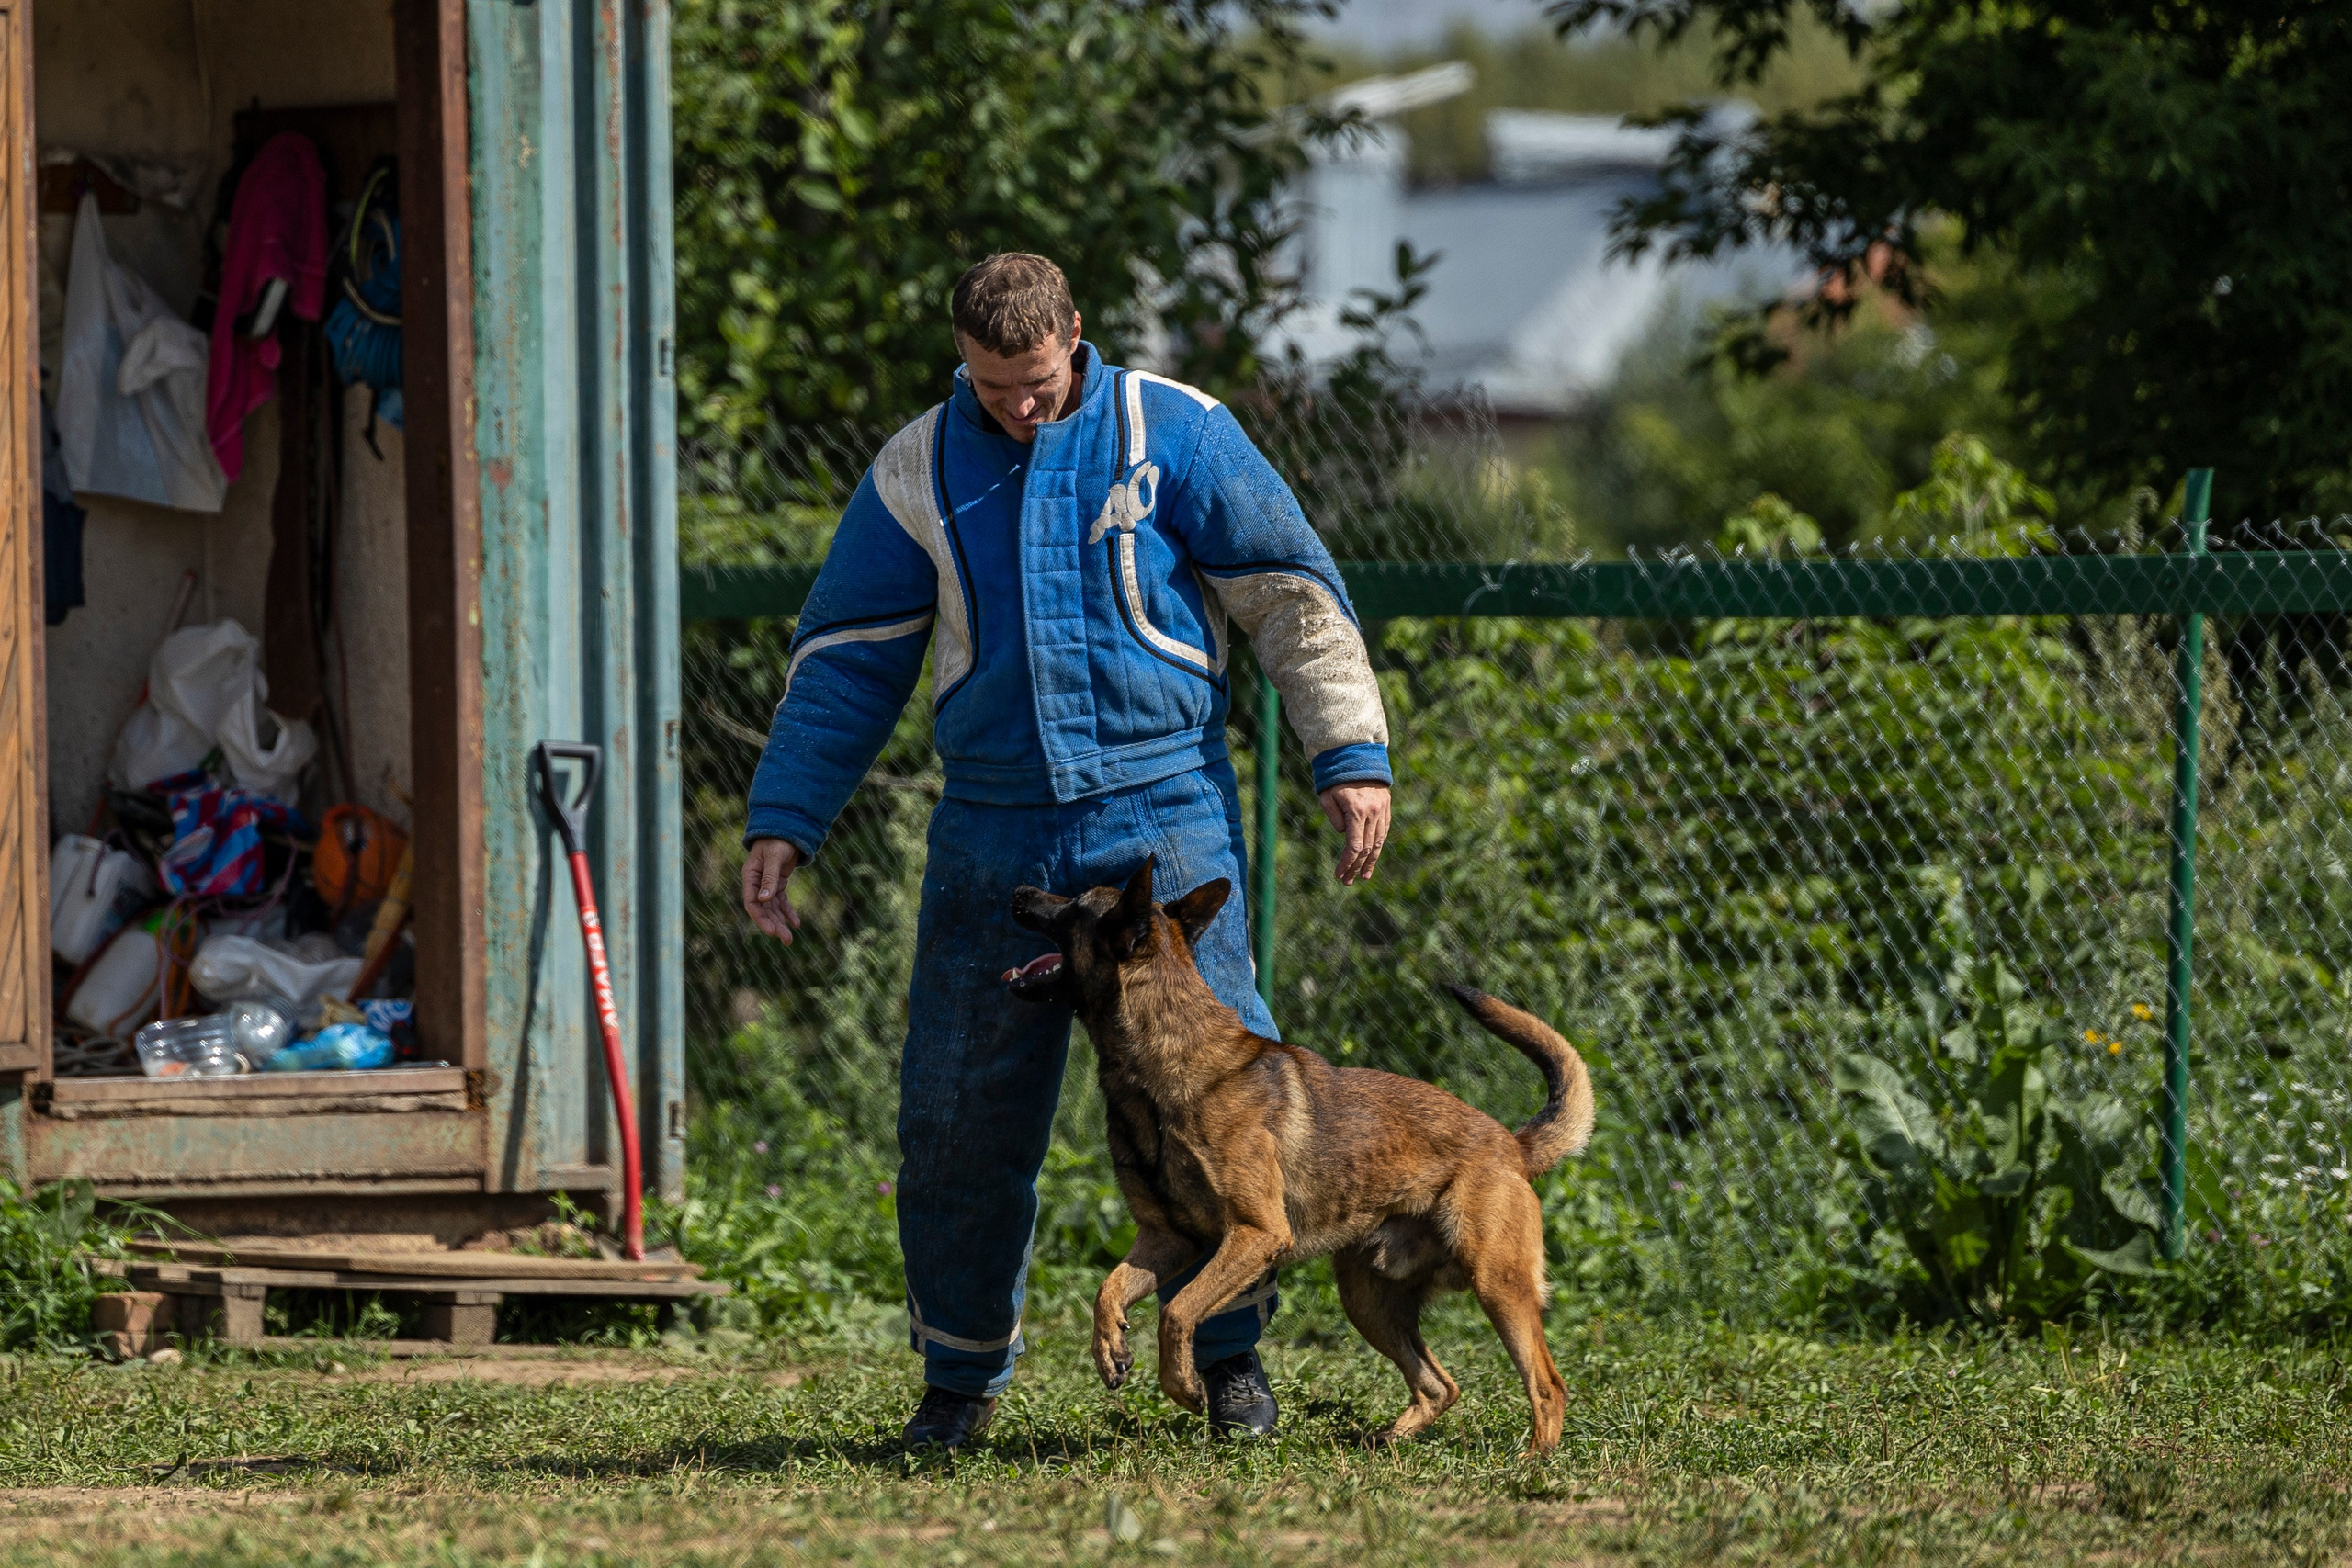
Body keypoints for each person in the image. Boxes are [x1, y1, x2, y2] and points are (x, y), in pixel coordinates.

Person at [741, 253, 1393, 1450]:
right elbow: (845, 660)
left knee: (1221, 1115)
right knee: (953, 1117)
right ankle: (958, 1383)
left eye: (1037, 384)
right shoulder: (917, 465)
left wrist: (1348, 755)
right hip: (994, 833)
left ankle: (1233, 1366)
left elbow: (1292, 597)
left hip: (1164, 819)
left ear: (1076, 340)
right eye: (994, 388)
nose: (1020, 409)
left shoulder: (1176, 432)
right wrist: (785, 819)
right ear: (964, 361)